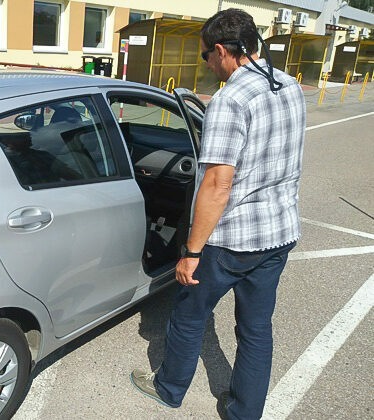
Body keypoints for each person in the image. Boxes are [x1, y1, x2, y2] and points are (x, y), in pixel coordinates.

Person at [130, 8, 306, 420]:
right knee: (256, 329)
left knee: (189, 314)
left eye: (207, 55)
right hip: (279, 232)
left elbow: (215, 185)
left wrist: (191, 251)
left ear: (224, 51)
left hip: (231, 240)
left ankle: (169, 388)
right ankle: (246, 412)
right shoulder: (289, 84)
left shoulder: (230, 100)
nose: (207, 63)